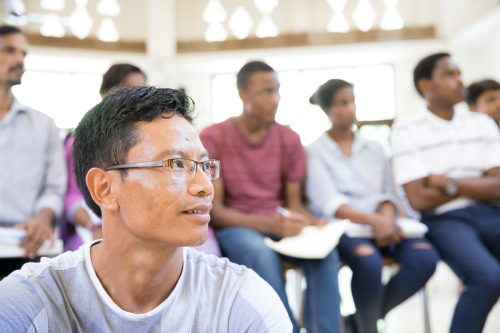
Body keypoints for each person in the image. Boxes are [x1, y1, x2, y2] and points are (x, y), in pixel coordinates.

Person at [0, 86, 292, 332]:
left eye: (205, 165)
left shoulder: (241, 302)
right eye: (176, 164)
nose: (205, 186)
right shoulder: (29, 303)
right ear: (105, 189)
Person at [200, 60, 341, 333]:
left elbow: (294, 204)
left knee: (325, 254)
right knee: (259, 253)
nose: (275, 100)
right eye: (266, 92)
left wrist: (308, 221)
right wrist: (270, 224)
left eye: (277, 91)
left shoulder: (289, 138)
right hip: (237, 226)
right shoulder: (213, 137)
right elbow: (217, 213)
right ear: (242, 93)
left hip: (278, 222)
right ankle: (284, 328)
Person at [306, 79, 438, 333]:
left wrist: (386, 220)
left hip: (385, 223)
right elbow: (330, 203)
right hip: (345, 226)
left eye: (353, 101)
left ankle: (357, 322)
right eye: (342, 103)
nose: (351, 108)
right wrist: (374, 221)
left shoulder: (375, 148)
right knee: (369, 262)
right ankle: (369, 328)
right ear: (327, 110)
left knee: (424, 257)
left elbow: (389, 193)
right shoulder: (314, 151)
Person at [391, 52, 500, 333]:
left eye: (459, 73)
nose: (459, 80)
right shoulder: (406, 129)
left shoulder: (482, 123)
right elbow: (419, 198)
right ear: (427, 86)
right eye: (449, 75)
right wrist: (478, 183)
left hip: (491, 212)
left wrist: (448, 183)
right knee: (488, 278)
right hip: (443, 220)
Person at [60, 63, 147, 251]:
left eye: (141, 91)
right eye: (128, 90)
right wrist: (92, 225)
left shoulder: (150, 139)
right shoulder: (82, 139)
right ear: (105, 94)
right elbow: (72, 196)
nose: (135, 99)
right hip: (93, 224)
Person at [0, 25, 66, 262]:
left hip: (26, 246)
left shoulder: (43, 125)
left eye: (23, 53)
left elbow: (54, 186)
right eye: (9, 50)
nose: (20, 59)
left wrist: (43, 218)